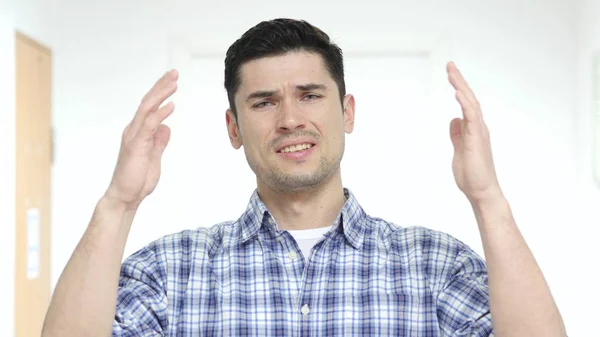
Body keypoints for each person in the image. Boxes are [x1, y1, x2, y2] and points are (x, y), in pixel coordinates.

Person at [41, 18, 567, 337]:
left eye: (310, 95)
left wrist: (487, 197)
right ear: (233, 128)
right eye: (264, 102)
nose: (291, 118)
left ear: (349, 112)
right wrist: (118, 202)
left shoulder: (434, 267)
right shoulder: (170, 271)